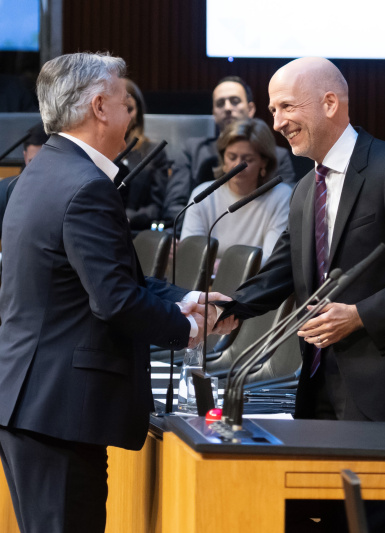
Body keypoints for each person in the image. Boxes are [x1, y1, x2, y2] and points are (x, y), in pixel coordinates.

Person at [0, 52, 236, 533]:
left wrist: (178, 299)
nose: (131, 114)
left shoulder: (41, 173)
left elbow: (99, 277)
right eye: (126, 102)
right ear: (100, 107)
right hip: (59, 414)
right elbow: (114, 299)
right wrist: (186, 328)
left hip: (34, 406)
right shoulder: (85, 185)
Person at [219, 57, 385, 424]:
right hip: (316, 378)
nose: (276, 123)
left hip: (382, 385)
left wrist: (360, 315)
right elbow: (282, 270)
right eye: (272, 109)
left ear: (329, 104)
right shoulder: (304, 189)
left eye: (286, 106)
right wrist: (228, 307)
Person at [161, 76, 295, 230]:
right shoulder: (192, 150)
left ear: (250, 109)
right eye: (220, 103)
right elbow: (175, 205)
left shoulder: (279, 156)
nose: (227, 108)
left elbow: (288, 209)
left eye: (235, 101)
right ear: (214, 112)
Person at [180, 118, 292, 268]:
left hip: (254, 287)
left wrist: (218, 266)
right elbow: (191, 256)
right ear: (223, 158)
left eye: (247, 160)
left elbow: (270, 262)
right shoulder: (202, 195)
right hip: (204, 286)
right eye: (232, 157)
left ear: (263, 162)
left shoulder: (281, 196)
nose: (237, 166)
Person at [115, 78, 169, 231]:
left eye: (129, 109)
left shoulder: (153, 152)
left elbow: (157, 206)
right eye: (119, 108)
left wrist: (128, 218)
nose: (124, 116)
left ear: (138, 111)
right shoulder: (96, 150)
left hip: (137, 231)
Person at [0, 122, 49, 240]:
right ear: (25, 156)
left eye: (43, 161)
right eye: (32, 161)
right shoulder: (8, 189)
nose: (37, 168)